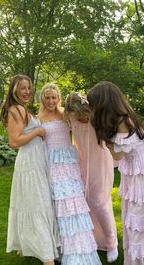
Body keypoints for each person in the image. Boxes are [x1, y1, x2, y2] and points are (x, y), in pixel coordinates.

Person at [87, 81, 144, 265]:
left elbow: (119, 154)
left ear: (103, 103)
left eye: (94, 104)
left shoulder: (122, 122)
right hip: (140, 172)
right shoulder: (124, 118)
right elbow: (139, 143)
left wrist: (106, 138)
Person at [38, 83, 102, 265]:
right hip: (51, 163)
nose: (51, 101)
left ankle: (79, 247)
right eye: (47, 97)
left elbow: (86, 122)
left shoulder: (66, 113)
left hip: (68, 161)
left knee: (74, 201)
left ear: (59, 98)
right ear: (43, 98)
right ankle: (59, 247)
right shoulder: (38, 118)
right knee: (58, 203)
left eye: (54, 97)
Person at [1, 75, 59, 265]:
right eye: (22, 88)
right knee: (37, 204)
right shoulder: (15, 110)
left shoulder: (23, 109)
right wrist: (38, 131)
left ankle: (23, 244)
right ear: (14, 90)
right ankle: (47, 256)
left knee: (30, 202)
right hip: (29, 164)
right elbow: (14, 141)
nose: (27, 92)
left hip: (36, 162)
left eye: (29, 88)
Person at [64, 92, 118, 263]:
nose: (79, 119)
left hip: (100, 162)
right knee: (86, 202)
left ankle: (112, 243)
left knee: (100, 202)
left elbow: (119, 133)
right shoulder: (69, 117)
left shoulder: (97, 118)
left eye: (81, 115)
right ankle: (94, 239)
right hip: (80, 163)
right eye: (76, 116)